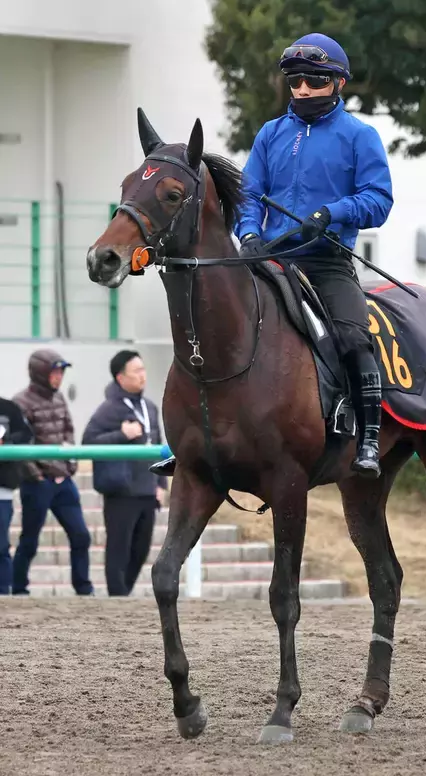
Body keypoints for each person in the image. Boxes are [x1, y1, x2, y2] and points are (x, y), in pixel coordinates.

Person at [153, 32, 394, 480]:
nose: (303, 88)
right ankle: (191, 438)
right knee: (211, 325)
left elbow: (379, 200)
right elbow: (250, 195)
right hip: (269, 258)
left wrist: (333, 212)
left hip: (326, 261)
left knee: (353, 337)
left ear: (338, 83)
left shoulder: (361, 136)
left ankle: (366, 436)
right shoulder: (270, 134)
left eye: (315, 80)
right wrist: (248, 234)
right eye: (296, 80)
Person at [82, 350, 167, 596]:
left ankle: (123, 594)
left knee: (140, 550)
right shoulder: (109, 409)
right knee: (119, 549)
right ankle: (117, 598)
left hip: (147, 491)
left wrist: (161, 484)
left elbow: (159, 446)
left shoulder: (149, 407)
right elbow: (88, 441)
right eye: (136, 371)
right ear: (121, 378)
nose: (143, 376)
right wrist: (121, 435)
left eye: (143, 370)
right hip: (121, 492)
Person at [12, 350, 93, 596]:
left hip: (64, 482)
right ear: (39, 373)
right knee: (30, 540)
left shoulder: (59, 400)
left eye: (61, 372)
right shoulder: (20, 403)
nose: (58, 378)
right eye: (54, 372)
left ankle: (83, 588)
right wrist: (37, 475)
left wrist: (70, 466)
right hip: (38, 484)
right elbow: (19, 445)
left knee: (81, 536)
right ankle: (18, 588)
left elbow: (68, 431)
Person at [0, 398, 33, 594]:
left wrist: (7, 441)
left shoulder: (8, 408)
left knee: (1, 546)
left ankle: (3, 592)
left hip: (2, 488)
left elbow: (26, 435)